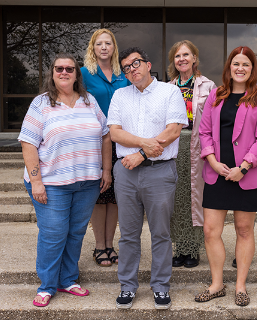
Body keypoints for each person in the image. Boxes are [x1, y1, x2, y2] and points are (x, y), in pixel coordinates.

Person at [18, 52, 112, 307]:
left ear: (76, 74)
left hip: (87, 182)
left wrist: (106, 170)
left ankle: (68, 280)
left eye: (70, 69)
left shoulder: (88, 100)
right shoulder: (41, 103)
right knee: (53, 233)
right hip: (51, 182)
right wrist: (37, 182)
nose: (64, 73)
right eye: (59, 68)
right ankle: (47, 285)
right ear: (52, 72)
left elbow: (105, 135)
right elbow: (28, 143)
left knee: (76, 233)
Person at [107, 47, 188, 310]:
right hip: (126, 172)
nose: (132, 69)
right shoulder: (120, 95)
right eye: (126, 67)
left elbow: (174, 130)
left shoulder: (170, 91)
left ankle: (161, 287)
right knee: (128, 234)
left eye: (136, 63)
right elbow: (116, 134)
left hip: (160, 172)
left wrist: (141, 153)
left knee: (161, 233)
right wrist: (144, 144)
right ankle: (128, 286)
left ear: (148, 64)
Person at [196, 46, 257, 306]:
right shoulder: (216, 96)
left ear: (253, 69)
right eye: (236, 64)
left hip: (247, 174)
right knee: (210, 231)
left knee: (243, 230)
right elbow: (204, 132)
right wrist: (213, 162)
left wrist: (244, 167)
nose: (240, 68)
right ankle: (217, 284)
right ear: (229, 67)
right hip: (217, 171)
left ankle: (240, 285)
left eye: (246, 64)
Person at [81, 28, 130, 267]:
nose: (103, 47)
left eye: (108, 43)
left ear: (114, 47)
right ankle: (100, 245)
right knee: (100, 194)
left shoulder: (124, 74)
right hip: (97, 141)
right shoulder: (83, 74)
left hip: (122, 142)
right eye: (99, 43)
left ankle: (111, 244)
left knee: (116, 197)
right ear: (93, 47)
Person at [167, 40, 216, 268]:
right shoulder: (167, 87)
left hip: (197, 146)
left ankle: (193, 249)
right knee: (176, 199)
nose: (182, 59)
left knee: (194, 198)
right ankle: (179, 248)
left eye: (186, 55)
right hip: (173, 146)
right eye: (178, 56)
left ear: (194, 58)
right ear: (173, 61)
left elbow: (214, 121)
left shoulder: (208, 86)